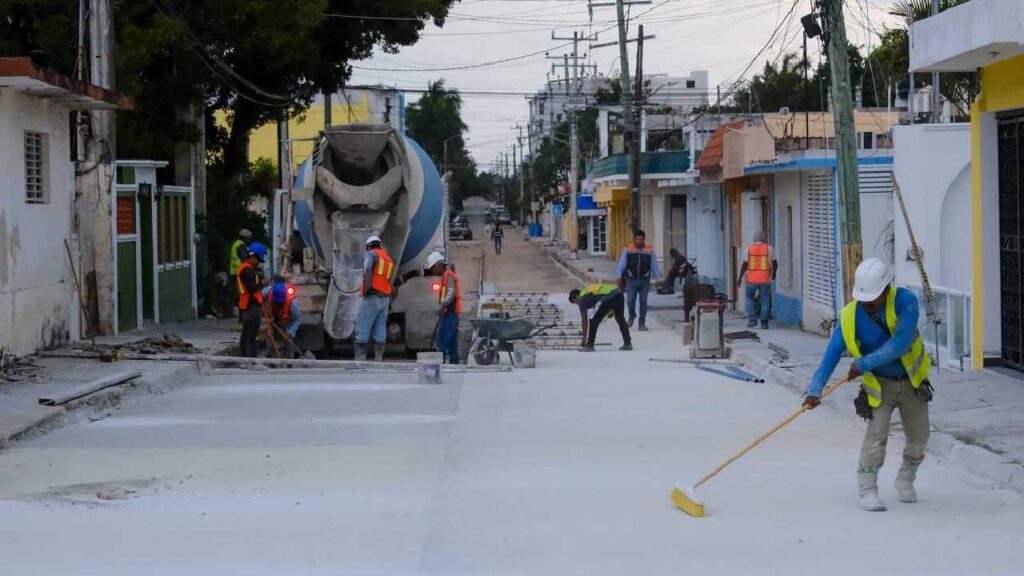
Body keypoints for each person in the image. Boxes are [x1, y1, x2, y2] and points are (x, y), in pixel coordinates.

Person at [802, 258, 933, 512]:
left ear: (886, 288)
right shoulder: (849, 317)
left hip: (912, 383)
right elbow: (831, 355)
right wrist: (815, 390)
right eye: (864, 299)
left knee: (919, 437)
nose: (868, 304)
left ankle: (906, 478)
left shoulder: (905, 302)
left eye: (873, 299)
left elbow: (901, 344)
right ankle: (867, 489)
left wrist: (863, 363)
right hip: (879, 386)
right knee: (876, 436)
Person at [356, 235, 394, 362]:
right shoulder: (387, 258)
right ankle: (379, 359)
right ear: (379, 245)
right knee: (380, 328)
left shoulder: (370, 254)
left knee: (363, 328)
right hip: (384, 298)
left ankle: (360, 359)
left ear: (368, 246)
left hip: (372, 296)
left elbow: (367, 270)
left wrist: (366, 290)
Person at [616, 230, 660, 331]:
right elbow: (622, 263)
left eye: (641, 239)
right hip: (631, 280)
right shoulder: (628, 249)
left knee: (643, 302)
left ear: (644, 239)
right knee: (630, 300)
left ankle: (642, 323)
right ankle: (632, 316)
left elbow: (654, 264)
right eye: (637, 239)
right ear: (634, 239)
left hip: (645, 280)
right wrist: (618, 276)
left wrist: (657, 278)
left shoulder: (649, 250)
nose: (639, 241)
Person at [569, 283, 632, 352]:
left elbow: (584, 320)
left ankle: (590, 345)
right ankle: (627, 343)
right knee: (620, 319)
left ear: (577, 296)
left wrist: (584, 339)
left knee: (593, 320)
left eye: (575, 302)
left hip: (608, 296)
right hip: (619, 294)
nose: (577, 304)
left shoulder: (582, 299)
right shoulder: (588, 292)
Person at [737, 230, 778, 329]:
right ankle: (764, 322)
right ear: (764, 238)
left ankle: (752, 319)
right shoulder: (769, 249)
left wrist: (740, 277)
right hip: (765, 279)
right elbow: (775, 263)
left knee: (749, 298)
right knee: (765, 300)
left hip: (751, 279)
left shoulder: (748, 249)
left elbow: (744, 265)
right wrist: (774, 273)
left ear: (754, 239)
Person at [427, 252, 461, 364]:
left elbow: (451, 293)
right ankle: (454, 363)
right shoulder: (446, 275)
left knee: (443, 339)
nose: (433, 270)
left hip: (450, 313)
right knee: (452, 341)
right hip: (450, 313)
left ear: (439, 264)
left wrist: (442, 305)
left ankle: (440, 363)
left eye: (433, 267)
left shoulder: (448, 275)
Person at [236, 241, 266, 358]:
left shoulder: (244, 268)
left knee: (246, 334)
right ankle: (251, 360)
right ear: (253, 256)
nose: (259, 263)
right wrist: (262, 283)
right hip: (251, 306)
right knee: (252, 336)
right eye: (258, 260)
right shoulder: (247, 270)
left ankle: (244, 358)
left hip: (246, 305)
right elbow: (252, 288)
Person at [261, 276, 302, 358]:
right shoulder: (266, 292)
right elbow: (259, 298)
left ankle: (289, 358)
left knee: (289, 338)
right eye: (276, 302)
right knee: (269, 336)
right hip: (271, 318)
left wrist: (291, 332)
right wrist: (263, 311)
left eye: (280, 303)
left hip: (286, 321)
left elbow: (297, 319)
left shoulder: (292, 303)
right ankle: (269, 356)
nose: (278, 304)